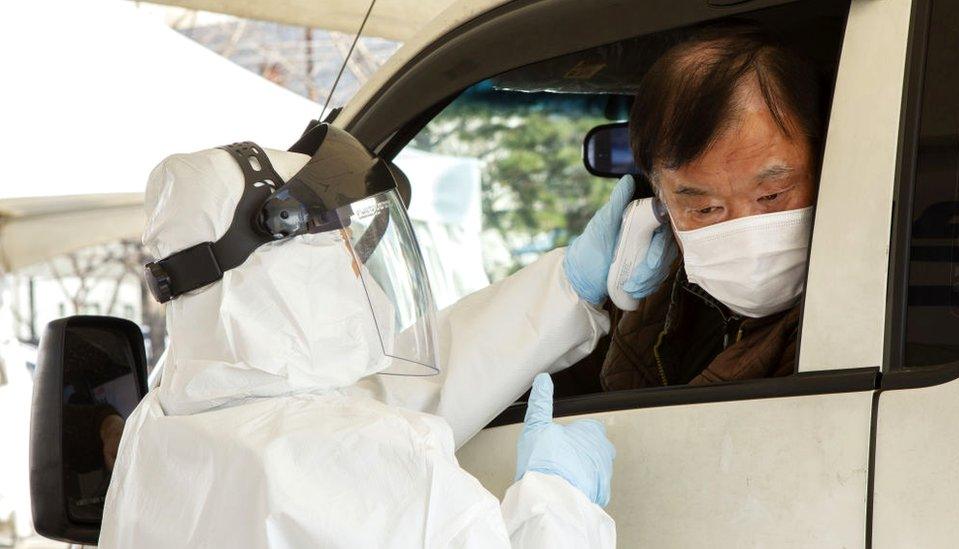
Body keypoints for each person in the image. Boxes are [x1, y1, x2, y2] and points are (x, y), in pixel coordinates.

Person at [99, 136, 616, 548]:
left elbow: (376, 407)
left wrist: (567, 288)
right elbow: (360, 445)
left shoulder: (164, 425)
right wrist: (560, 499)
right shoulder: (350, 457)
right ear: (282, 259)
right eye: (341, 246)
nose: (359, 267)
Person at [564, 23, 827, 391]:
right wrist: (574, 303)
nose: (746, 234)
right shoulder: (643, 296)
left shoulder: (862, 313)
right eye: (704, 209)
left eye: (772, 195)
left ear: (823, 165)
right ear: (659, 204)